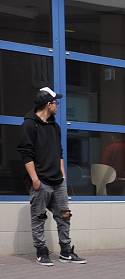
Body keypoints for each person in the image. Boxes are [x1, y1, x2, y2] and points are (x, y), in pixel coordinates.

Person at [17, 87, 86, 266]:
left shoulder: (55, 126)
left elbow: (59, 152)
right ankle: (41, 251)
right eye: (56, 102)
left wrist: (63, 175)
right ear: (48, 104)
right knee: (39, 218)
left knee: (65, 216)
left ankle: (65, 251)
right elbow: (26, 154)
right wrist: (35, 179)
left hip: (57, 182)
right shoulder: (29, 125)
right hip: (41, 181)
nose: (57, 106)